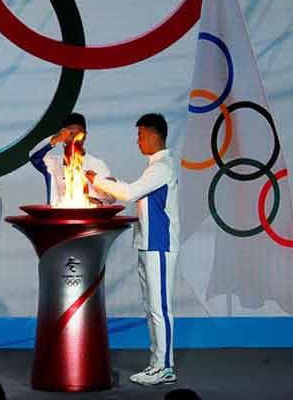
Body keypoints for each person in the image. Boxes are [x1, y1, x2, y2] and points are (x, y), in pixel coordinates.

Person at [86, 113, 179, 387]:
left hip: (159, 246)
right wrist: (108, 186)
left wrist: (97, 179)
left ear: (153, 134)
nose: (137, 141)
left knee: (161, 307)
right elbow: (131, 192)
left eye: (140, 135)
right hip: (147, 244)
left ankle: (165, 366)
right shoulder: (153, 168)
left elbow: (128, 193)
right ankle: (156, 364)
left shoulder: (162, 167)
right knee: (152, 307)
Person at [29, 112, 111, 205]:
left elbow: (110, 198)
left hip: (89, 216)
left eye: (78, 133)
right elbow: (34, 157)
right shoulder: (52, 164)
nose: (74, 138)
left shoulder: (98, 165)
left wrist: (91, 198)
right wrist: (54, 139)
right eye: (70, 134)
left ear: (85, 135)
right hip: (58, 216)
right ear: (62, 136)